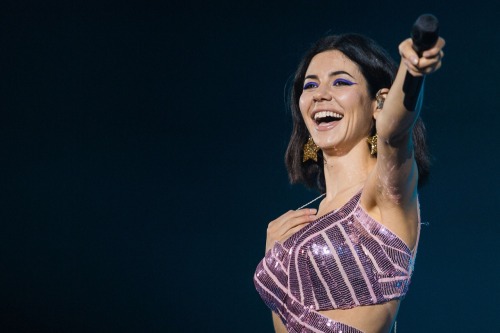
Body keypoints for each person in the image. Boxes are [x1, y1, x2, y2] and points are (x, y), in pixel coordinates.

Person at [253, 31, 445, 333]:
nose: (320, 94)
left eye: (340, 82)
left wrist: (411, 71)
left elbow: (394, 133)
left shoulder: (384, 194)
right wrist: (276, 259)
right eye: (310, 85)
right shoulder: (294, 226)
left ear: (378, 103)